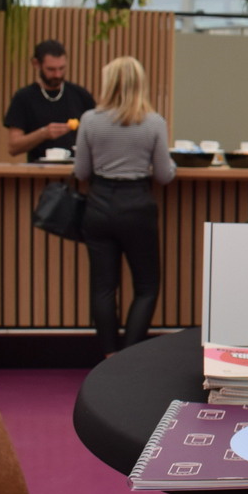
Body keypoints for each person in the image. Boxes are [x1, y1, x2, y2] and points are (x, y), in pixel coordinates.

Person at [74, 57, 175, 356]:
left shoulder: (90, 120)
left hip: (99, 204)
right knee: (146, 287)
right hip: (137, 206)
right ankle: (128, 356)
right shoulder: (154, 122)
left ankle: (108, 355)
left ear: (108, 83)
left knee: (104, 288)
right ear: (140, 84)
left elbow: (81, 172)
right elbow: (163, 175)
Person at [4, 39, 95, 162]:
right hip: (38, 170)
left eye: (62, 68)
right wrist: (43, 134)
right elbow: (13, 147)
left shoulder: (81, 95)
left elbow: (98, 135)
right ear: (36, 64)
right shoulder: (23, 98)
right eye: (51, 69)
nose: (57, 75)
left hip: (76, 168)